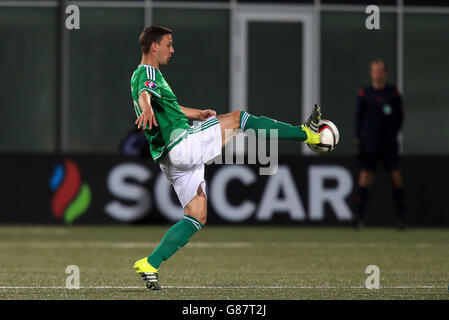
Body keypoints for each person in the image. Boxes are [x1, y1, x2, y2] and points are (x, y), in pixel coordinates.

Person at [130, 26, 322, 290]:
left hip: (170, 159)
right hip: (181, 144)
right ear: (154, 47)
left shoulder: (146, 75)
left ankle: (150, 264)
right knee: (238, 119)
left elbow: (165, 104)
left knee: (197, 215)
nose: (172, 50)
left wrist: (196, 113)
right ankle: (306, 134)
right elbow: (146, 96)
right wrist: (146, 108)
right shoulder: (148, 72)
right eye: (169, 44)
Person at [354, 59, 405, 230]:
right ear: (371, 73)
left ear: (385, 73)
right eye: (374, 71)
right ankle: (358, 218)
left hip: (388, 143)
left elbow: (399, 117)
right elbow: (358, 118)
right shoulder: (364, 93)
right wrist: (359, 139)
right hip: (370, 143)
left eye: (380, 71)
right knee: (365, 178)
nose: (377, 74)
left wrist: (392, 134)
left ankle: (401, 219)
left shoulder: (393, 93)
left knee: (395, 178)